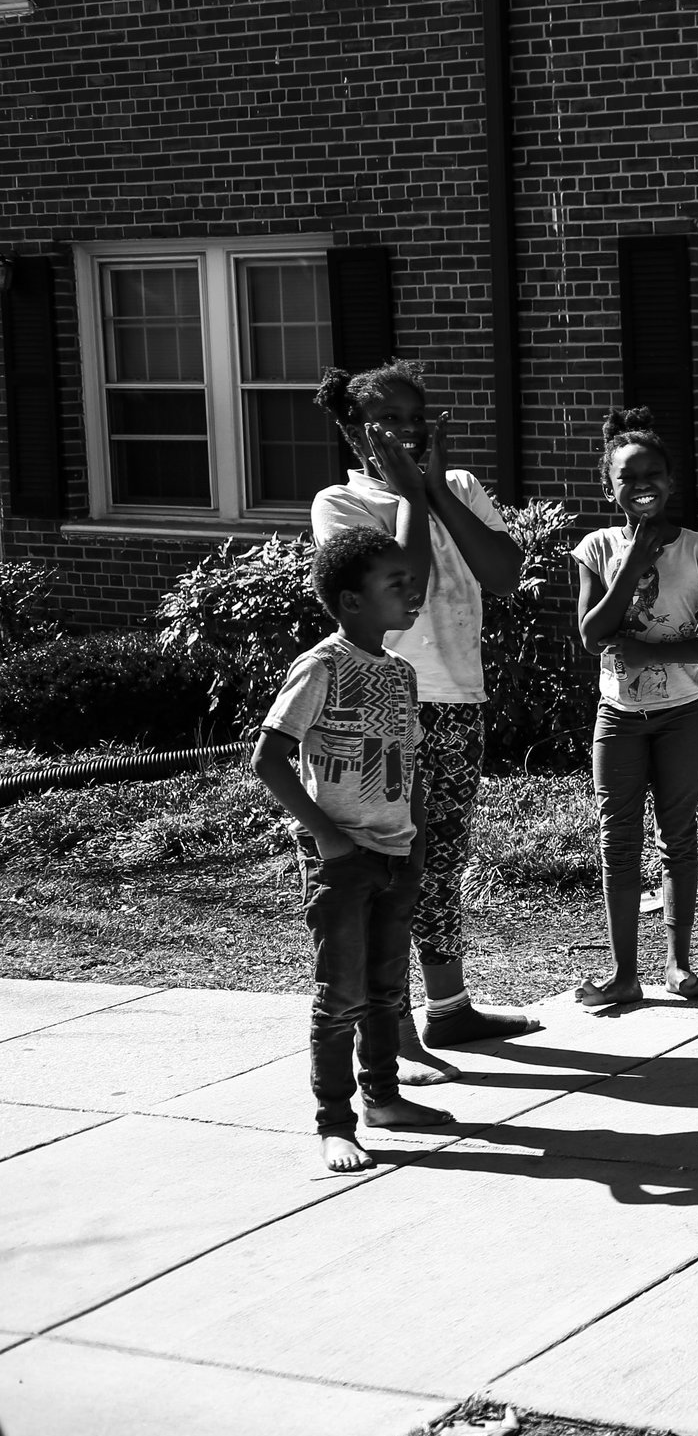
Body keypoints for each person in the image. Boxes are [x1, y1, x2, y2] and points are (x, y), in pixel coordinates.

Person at [311, 361, 537, 1076]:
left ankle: (450, 1008)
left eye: (419, 414)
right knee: (391, 864)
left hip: (455, 699)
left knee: (441, 860)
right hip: (382, 709)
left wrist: (436, 488)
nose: (411, 429)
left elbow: (503, 573)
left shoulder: (459, 487)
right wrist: (411, 494)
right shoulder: (342, 506)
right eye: (391, 419)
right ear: (353, 430)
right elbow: (406, 583)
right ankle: (391, 1025)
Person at [251, 529, 453, 1172]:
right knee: (341, 995)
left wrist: (416, 843)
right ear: (350, 601)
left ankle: (384, 1100)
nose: (411, 590)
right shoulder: (322, 667)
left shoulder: (399, 674)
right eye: (395, 583)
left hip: (396, 854)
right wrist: (330, 838)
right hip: (340, 862)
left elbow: (412, 767)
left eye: (410, 580)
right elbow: (270, 759)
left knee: (387, 988)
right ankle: (335, 1123)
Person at [571, 408, 698, 1005]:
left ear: (671, 482)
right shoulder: (596, 548)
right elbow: (591, 634)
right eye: (628, 475)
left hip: (681, 713)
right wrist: (634, 565)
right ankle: (623, 974)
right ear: (608, 485)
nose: (643, 484)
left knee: (678, 836)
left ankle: (677, 963)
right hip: (616, 719)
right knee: (618, 841)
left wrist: (650, 654)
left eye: (654, 474)